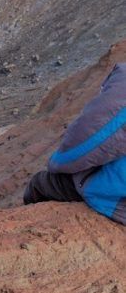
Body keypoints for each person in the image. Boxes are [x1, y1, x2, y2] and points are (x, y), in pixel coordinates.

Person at [24, 63, 125, 225]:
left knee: (40, 183)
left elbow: (87, 143)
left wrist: (56, 165)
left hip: (117, 198)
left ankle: (28, 226)